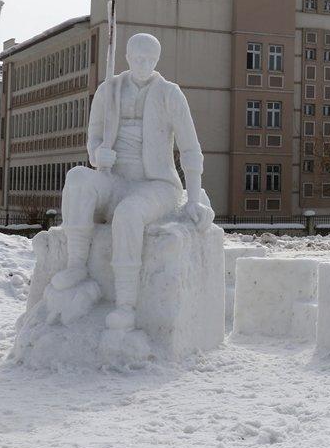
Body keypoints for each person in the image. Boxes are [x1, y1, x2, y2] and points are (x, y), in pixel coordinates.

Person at [50, 33, 213, 333]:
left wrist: (193, 198)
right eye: (138, 58)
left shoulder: (170, 93)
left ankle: (125, 305)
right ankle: (75, 266)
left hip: (157, 185)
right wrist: (99, 153)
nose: (143, 64)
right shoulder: (108, 91)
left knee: (128, 214)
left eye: (149, 60)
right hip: (115, 180)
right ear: (127, 57)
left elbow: (190, 149)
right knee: (77, 178)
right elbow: (94, 138)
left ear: (156, 60)